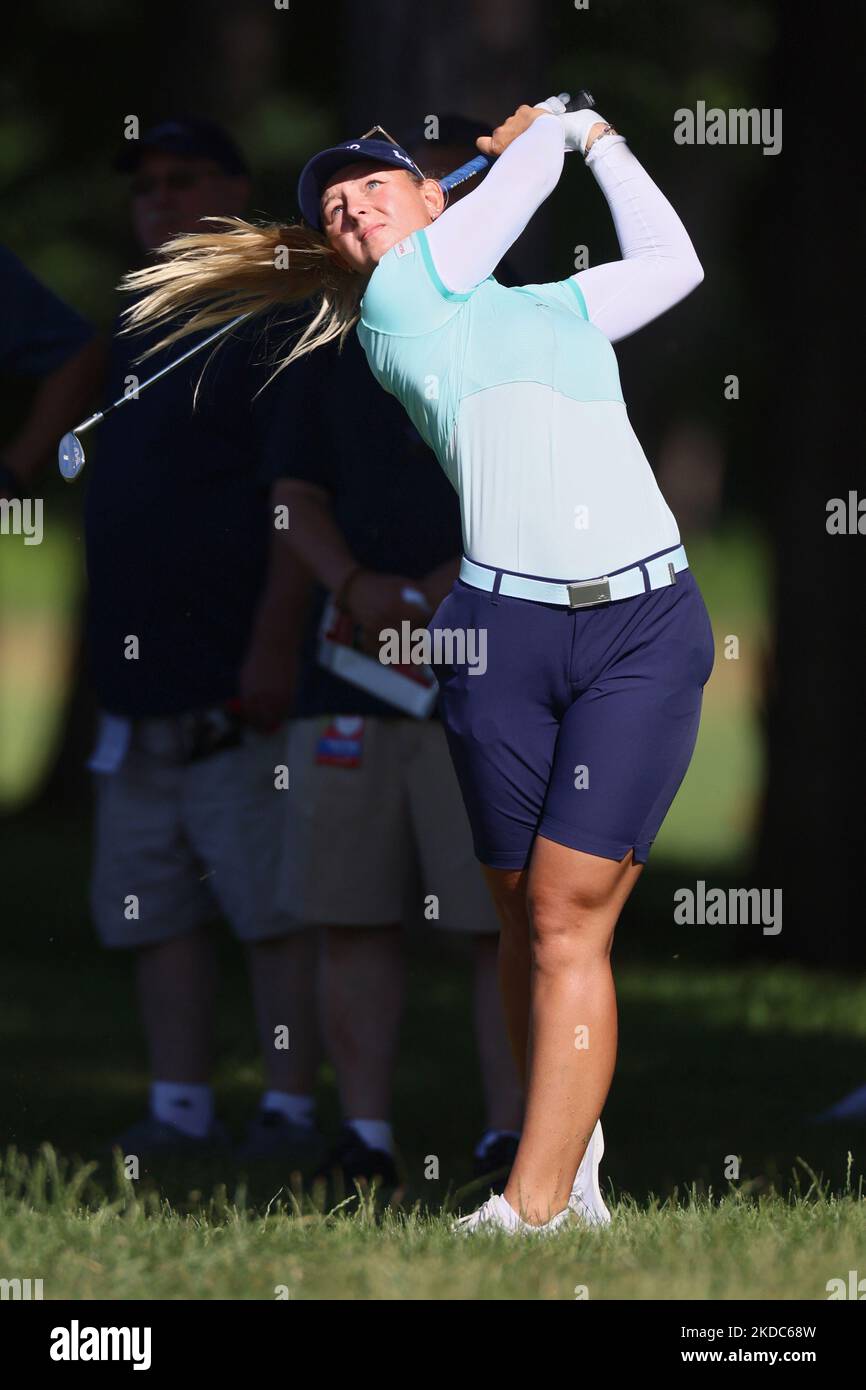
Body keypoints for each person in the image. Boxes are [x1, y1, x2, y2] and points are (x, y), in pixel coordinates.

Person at [114, 94, 715, 1231]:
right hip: (502, 635)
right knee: (522, 917)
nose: (348, 212)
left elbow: (671, 261)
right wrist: (556, 123)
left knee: (563, 912)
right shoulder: (395, 308)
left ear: (434, 199)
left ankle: (531, 1206)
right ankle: (564, 1163)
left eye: (372, 189)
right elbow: (524, 184)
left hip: (640, 625)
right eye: (335, 212)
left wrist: (599, 142)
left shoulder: (556, 310)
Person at [85, 119, 318, 1163]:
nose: (162, 200)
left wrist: (274, 644)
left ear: (234, 191)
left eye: (186, 182)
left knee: (269, 903)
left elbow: (293, 500)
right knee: (154, 901)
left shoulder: (271, 322)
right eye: (146, 187)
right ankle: (179, 1106)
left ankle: (290, 1108)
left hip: (242, 673)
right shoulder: (134, 325)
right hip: (142, 683)